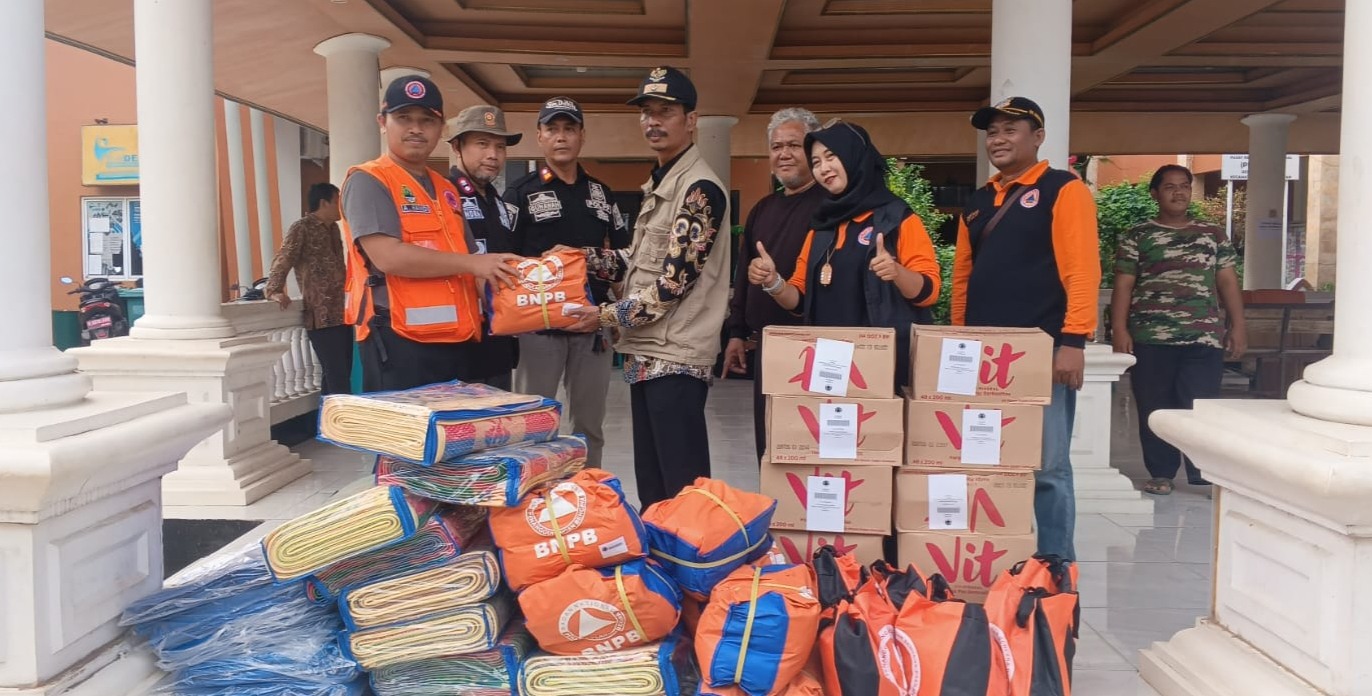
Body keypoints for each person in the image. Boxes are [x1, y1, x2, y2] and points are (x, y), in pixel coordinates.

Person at [564, 66, 731, 509]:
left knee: (682, 488)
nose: (653, 121)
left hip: (675, 356)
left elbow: (673, 283)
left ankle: (694, 567)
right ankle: (661, 566)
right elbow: (637, 260)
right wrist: (577, 259)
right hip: (648, 350)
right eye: (647, 113)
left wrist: (600, 316)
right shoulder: (662, 182)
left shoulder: (698, 189)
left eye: (666, 112)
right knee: (653, 485)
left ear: (691, 120)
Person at [953, 97, 1101, 561]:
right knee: (989, 460)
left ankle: (1056, 565)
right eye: (992, 131)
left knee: (1048, 467)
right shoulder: (978, 201)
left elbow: (1081, 268)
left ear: (1037, 137)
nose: (998, 138)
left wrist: (1073, 340)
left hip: (1042, 351)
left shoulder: (1063, 189)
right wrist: (959, 340)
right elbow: (963, 276)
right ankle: (1000, 556)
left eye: (1010, 129)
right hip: (982, 355)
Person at [341, 75, 520, 392]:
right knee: (407, 439)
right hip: (398, 341)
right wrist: (474, 265)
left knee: (453, 437)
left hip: (456, 341)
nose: (415, 128)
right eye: (403, 118)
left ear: (440, 130)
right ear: (383, 122)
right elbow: (388, 257)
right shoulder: (369, 180)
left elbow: (473, 263)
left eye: (426, 120)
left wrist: (519, 305)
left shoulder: (445, 189)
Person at [747, 119, 941, 392]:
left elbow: (929, 291)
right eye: (815, 162)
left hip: (881, 365)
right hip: (830, 366)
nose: (823, 168)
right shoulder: (821, 226)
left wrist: (897, 272)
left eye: (831, 157)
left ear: (854, 157)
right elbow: (799, 300)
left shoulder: (898, 217)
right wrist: (773, 282)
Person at [505, 97, 631, 468]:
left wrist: (619, 313)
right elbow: (503, 260)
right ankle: (531, 507)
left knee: (589, 426)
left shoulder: (601, 193)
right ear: (540, 137)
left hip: (591, 324)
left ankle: (588, 497)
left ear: (582, 136)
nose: (561, 137)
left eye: (569, 129)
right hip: (537, 328)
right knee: (532, 424)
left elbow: (623, 257)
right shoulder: (520, 193)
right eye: (553, 129)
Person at [1111, 164, 1246, 495]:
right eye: (1170, 187)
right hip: (1151, 337)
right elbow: (1124, 286)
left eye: (1184, 186)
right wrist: (1118, 329)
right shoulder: (1137, 236)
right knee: (1155, 407)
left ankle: (1203, 473)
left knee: (1200, 407)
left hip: (1204, 336)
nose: (1179, 192)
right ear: (1155, 194)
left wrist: (1238, 325)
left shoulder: (1213, 235)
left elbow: (1227, 281)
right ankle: (1161, 473)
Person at [722, 107, 826, 461]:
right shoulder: (763, 209)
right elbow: (742, 273)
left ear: (813, 150)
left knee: (811, 447)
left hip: (817, 346)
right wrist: (736, 332)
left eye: (794, 145)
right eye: (776, 146)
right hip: (768, 344)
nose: (783, 154)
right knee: (770, 448)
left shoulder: (832, 206)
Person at [446, 104, 523, 390]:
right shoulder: (445, 194)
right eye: (482, 144)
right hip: (463, 339)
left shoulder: (497, 200)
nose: (493, 155)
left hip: (500, 335)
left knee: (499, 426)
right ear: (457, 146)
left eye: (500, 146)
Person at [264, 183, 352, 395]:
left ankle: (328, 423)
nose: (341, 206)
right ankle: (336, 424)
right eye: (337, 201)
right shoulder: (302, 227)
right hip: (320, 315)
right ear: (324, 202)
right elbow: (285, 256)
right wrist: (274, 289)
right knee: (336, 375)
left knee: (340, 374)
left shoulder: (333, 229)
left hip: (342, 312)